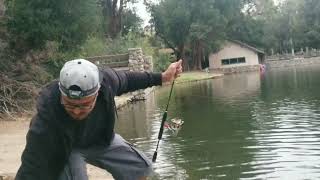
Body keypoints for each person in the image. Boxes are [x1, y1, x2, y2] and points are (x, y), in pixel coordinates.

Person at [15, 59, 183, 180]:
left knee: (140, 166)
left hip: (101, 140)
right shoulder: (48, 113)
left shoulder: (107, 82)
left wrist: (162, 77)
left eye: (84, 105)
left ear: (97, 92)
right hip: (68, 149)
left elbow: (130, 80)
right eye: (69, 104)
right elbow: (32, 162)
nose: (76, 111)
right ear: (61, 94)